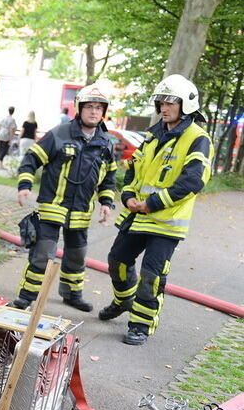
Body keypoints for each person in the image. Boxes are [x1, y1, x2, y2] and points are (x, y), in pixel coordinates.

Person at [99, 74, 212, 345]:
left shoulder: (198, 138)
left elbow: (193, 181)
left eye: (170, 102)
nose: (163, 107)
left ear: (185, 104)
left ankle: (141, 325)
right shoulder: (153, 135)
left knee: (152, 275)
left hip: (166, 222)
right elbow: (133, 169)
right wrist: (128, 196)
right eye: (161, 102)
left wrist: (152, 203)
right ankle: (124, 300)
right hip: (138, 216)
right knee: (117, 261)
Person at [13, 84, 117, 312]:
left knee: (77, 256)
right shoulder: (60, 134)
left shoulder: (106, 143)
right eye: (89, 107)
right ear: (79, 109)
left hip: (81, 212)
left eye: (98, 108)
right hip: (53, 207)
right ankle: (26, 297)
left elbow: (109, 178)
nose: (94, 111)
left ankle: (72, 294)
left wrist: (106, 203)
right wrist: (24, 185)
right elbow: (32, 158)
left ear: (103, 112)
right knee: (42, 254)